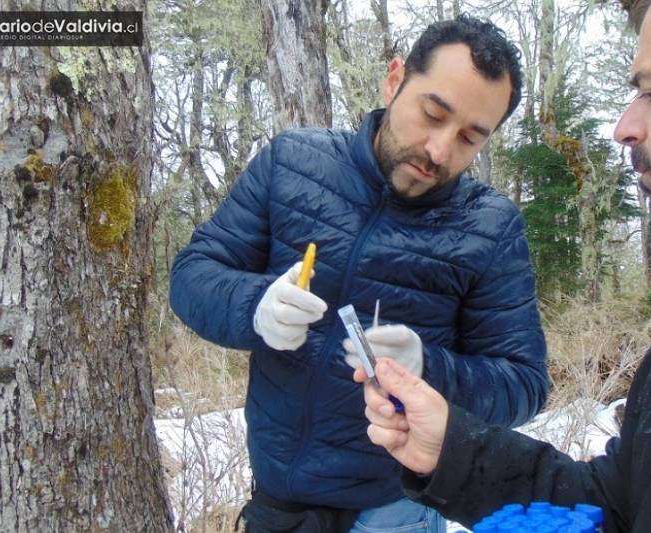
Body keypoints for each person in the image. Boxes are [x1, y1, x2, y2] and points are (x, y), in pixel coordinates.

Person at [357, 0, 651, 531]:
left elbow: (521, 377)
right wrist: (452, 452)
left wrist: (435, 364)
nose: (625, 128)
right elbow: (611, 511)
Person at [169, 14, 549, 533]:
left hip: (394, 512)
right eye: (432, 113)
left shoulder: (490, 228)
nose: (440, 150)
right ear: (395, 80)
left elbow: (524, 383)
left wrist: (428, 369)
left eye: (469, 138)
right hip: (275, 500)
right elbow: (192, 275)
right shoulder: (293, 163)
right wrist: (253, 306)